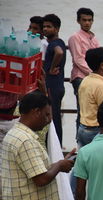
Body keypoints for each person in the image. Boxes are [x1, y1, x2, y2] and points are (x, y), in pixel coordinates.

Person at [1, 91, 75, 200]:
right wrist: (59, 166)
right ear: (35, 112)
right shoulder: (25, 141)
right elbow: (41, 179)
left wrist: (58, 163)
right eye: (47, 114)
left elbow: (33, 171)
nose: (49, 120)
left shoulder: (16, 135)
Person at [68, 8, 100, 135]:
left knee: (92, 109)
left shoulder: (93, 38)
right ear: (78, 21)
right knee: (82, 111)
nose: (87, 23)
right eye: (84, 20)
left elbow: (99, 57)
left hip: (92, 77)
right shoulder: (75, 37)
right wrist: (95, 73)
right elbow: (78, 60)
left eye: (89, 20)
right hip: (80, 77)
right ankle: (79, 140)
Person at [77, 47, 103, 147]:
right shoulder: (100, 86)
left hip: (82, 128)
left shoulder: (85, 80)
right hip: (94, 131)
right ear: (102, 65)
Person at [42, 14, 66, 145]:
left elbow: (59, 52)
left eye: (49, 27)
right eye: (44, 26)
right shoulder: (59, 42)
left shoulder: (54, 44)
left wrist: (51, 69)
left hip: (53, 85)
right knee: (55, 116)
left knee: (53, 117)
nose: (45, 29)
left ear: (56, 29)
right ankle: (57, 146)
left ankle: (55, 147)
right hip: (57, 85)